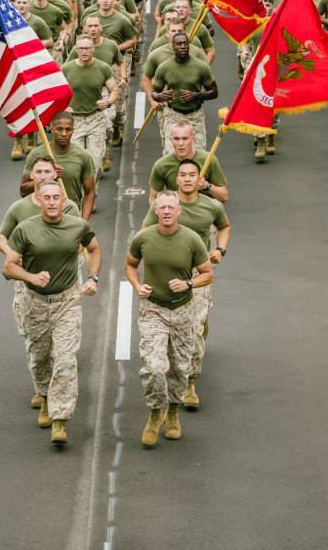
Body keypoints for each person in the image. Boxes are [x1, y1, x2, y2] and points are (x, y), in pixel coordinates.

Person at [4, 182, 102, 447]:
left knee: (65, 358)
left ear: (62, 200)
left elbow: (94, 248)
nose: (50, 202)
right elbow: (9, 266)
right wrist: (31, 276)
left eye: (55, 197)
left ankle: (60, 418)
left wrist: (92, 277)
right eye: (45, 197)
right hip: (34, 302)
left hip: (67, 301)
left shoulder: (77, 226)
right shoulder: (26, 229)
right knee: (39, 357)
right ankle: (45, 397)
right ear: (38, 199)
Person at [141, 159, 230, 411]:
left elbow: (224, 226)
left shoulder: (210, 206)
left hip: (196, 272)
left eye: (193, 174)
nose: (188, 179)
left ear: (198, 178)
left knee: (194, 325)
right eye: (183, 175)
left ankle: (189, 380)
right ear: (176, 179)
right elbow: (144, 234)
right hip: (167, 272)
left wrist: (220, 249)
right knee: (171, 324)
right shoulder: (167, 206)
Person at [126, 191, 212, 448]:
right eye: (161, 207)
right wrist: (136, 285)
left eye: (170, 207)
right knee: (153, 366)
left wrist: (188, 283)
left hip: (183, 310)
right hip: (154, 310)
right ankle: (155, 414)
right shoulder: (143, 238)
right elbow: (130, 264)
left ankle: (173, 412)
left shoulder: (192, 239)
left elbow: (207, 274)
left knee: (179, 367)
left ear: (178, 211)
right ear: (155, 211)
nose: (165, 211)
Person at [0, 156, 80, 379]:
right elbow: (0, 237)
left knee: (63, 337)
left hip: (63, 277)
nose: (43, 177)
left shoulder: (69, 207)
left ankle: (61, 361)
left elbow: (79, 240)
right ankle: (42, 374)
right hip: (28, 278)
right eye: (39, 172)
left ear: (55, 174)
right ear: (31, 176)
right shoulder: (19, 208)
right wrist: (13, 254)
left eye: (47, 172)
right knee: (31, 332)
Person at [151, 32, 218, 153]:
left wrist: (197, 95)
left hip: (195, 116)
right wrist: (159, 96)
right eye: (179, 44)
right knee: (172, 154)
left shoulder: (201, 67)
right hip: (173, 116)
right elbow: (154, 92)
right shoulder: (164, 68)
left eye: (185, 43)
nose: (182, 46)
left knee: (198, 156)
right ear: (173, 46)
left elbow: (214, 92)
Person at [61, 35, 118, 175]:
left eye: (87, 48)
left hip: (95, 118)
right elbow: (56, 92)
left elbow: (114, 90)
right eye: (81, 48)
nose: (84, 51)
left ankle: (92, 194)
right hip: (75, 120)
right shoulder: (66, 69)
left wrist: (108, 102)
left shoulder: (103, 68)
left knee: (95, 163)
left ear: (93, 49)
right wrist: (62, 107)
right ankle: (80, 195)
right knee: (76, 163)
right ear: (76, 50)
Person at [22, 111, 96, 219]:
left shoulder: (83, 156)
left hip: (70, 216)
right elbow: (23, 190)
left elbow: (90, 192)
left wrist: (83, 223)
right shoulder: (36, 154)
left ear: (73, 131)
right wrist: (47, 178)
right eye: (59, 129)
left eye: (68, 129)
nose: (64, 134)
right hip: (40, 217)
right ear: (51, 129)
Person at [148, 121, 228, 204]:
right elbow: (153, 198)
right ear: (170, 140)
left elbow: (224, 197)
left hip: (206, 213)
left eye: (185, 138)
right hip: (178, 213)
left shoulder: (209, 160)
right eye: (176, 139)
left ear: (193, 138)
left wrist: (206, 186)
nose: (181, 143)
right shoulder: (161, 165)